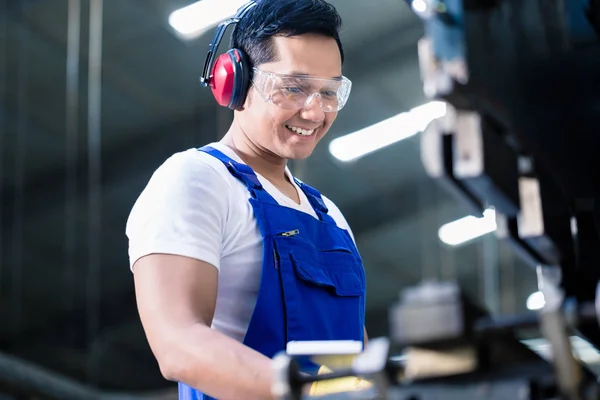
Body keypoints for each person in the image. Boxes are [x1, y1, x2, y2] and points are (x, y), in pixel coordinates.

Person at [126, 0, 367, 399]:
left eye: (329, 92)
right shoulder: (197, 180)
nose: (314, 112)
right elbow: (177, 344)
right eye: (293, 88)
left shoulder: (331, 218)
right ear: (235, 82)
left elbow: (353, 356)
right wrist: (310, 392)